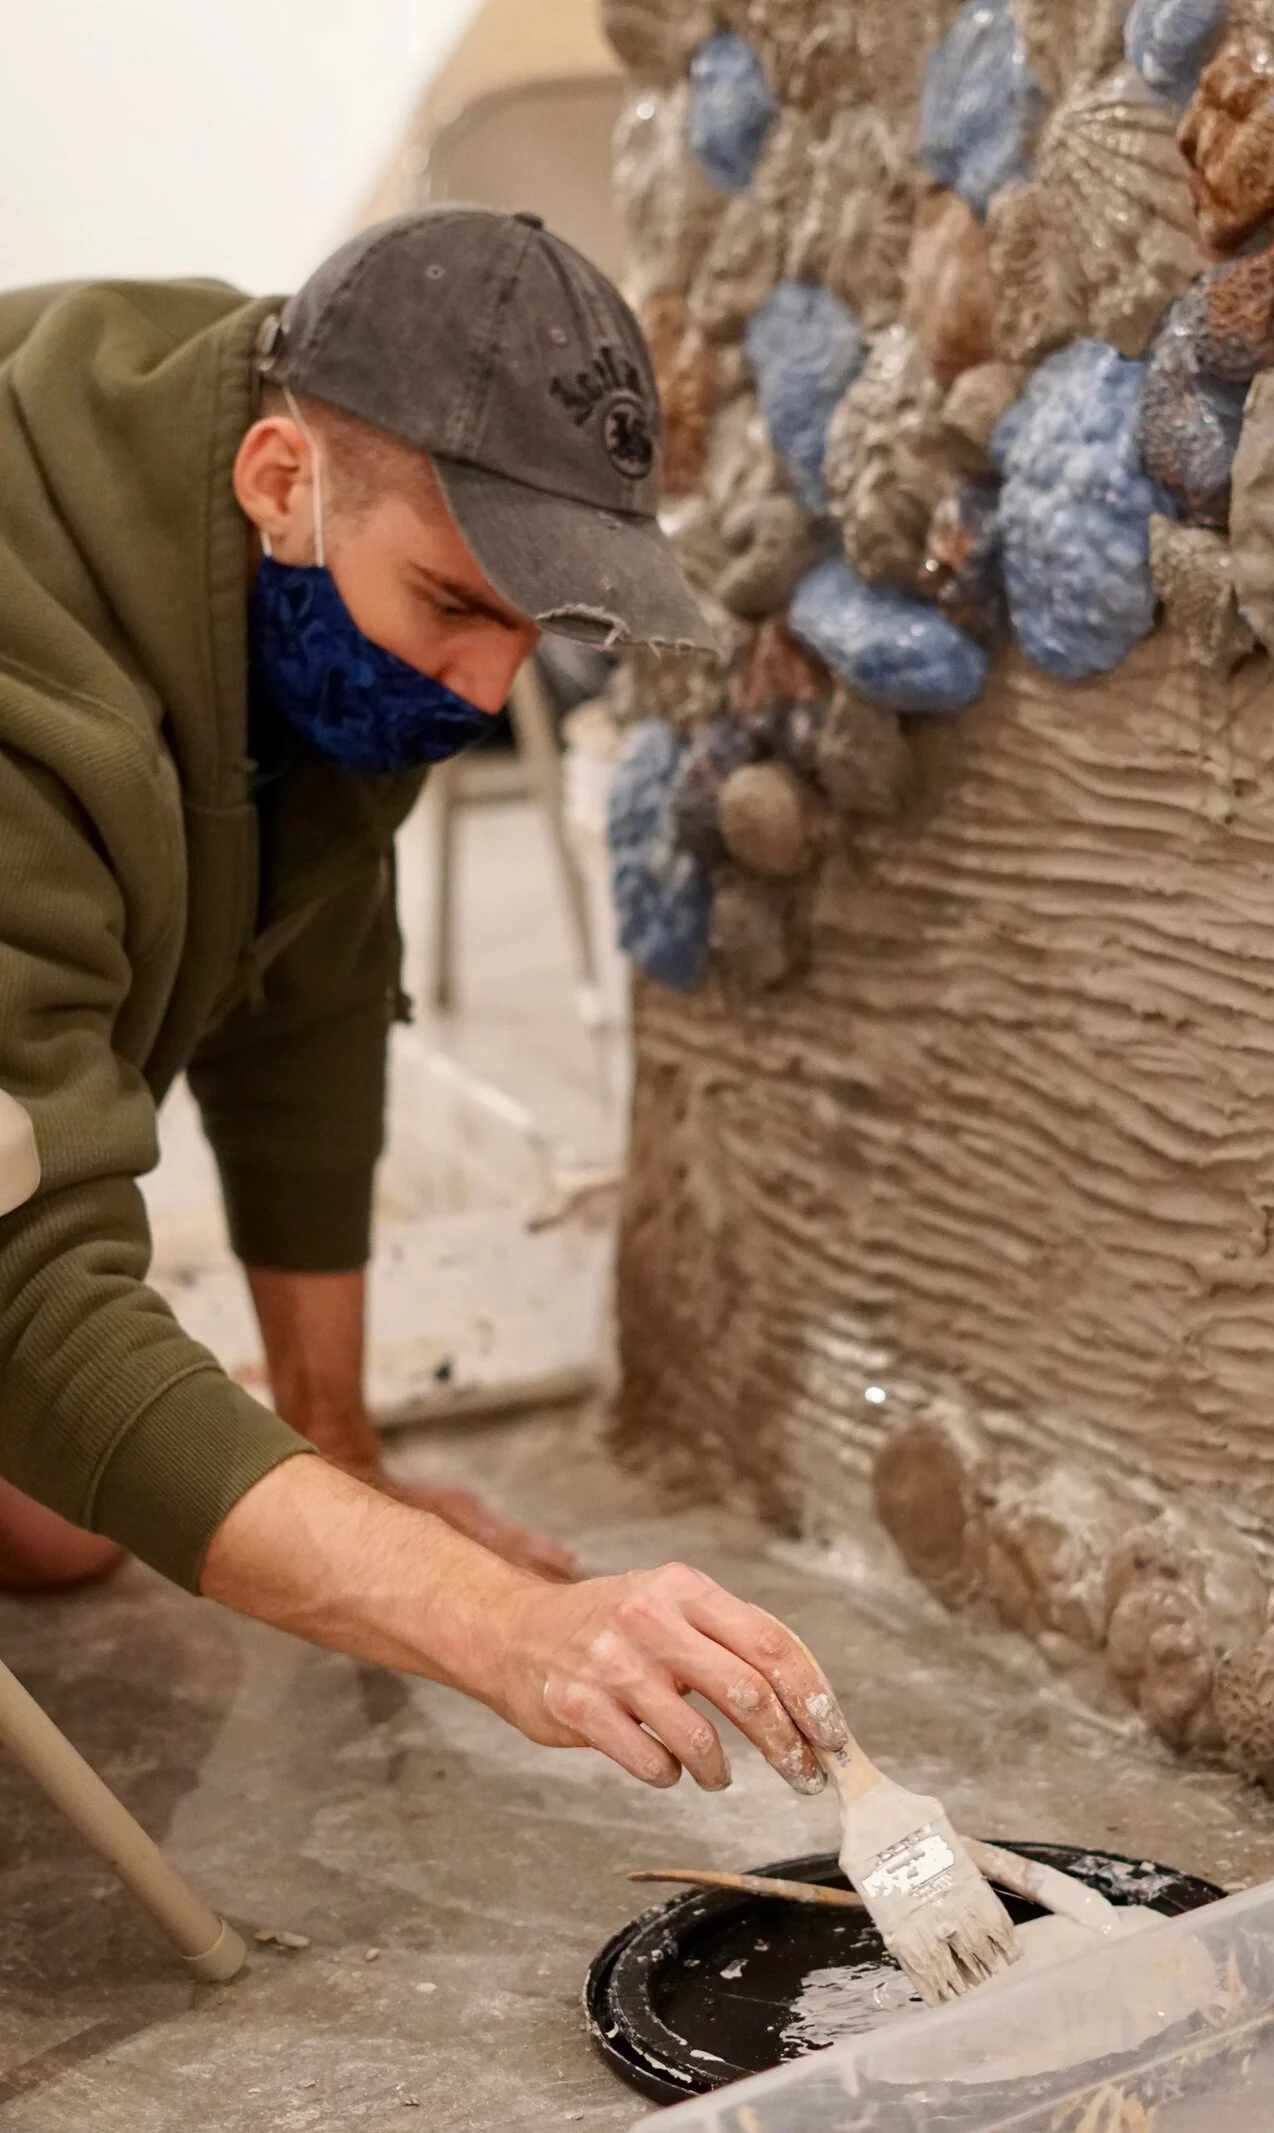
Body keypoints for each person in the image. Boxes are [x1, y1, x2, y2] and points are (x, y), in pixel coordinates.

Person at [0, 208, 845, 1798]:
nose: (482, 688)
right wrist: (505, 1631)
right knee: (72, 1437)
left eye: (530, 629)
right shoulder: (37, 675)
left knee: (60, 1535)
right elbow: (18, 1287)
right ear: (276, 485)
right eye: (456, 604)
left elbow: (302, 990)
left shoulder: (297, 517)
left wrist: (343, 1447)